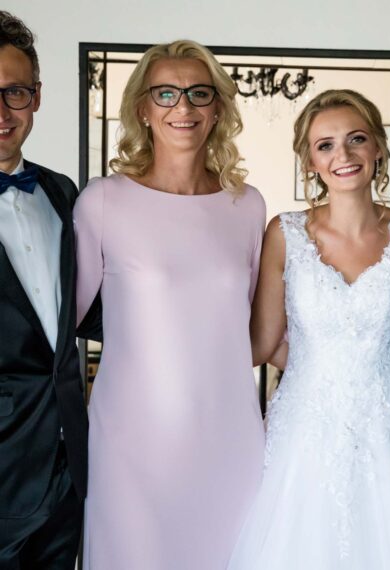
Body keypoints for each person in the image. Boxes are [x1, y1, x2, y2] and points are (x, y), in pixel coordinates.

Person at [228, 89, 390, 569]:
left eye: (356, 139)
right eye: (325, 145)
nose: (343, 155)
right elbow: (262, 344)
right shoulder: (285, 233)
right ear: (309, 161)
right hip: (304, 435)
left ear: (378, 147)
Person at [73, 40, 266, 569]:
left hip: (229, 437)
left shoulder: (247, 205)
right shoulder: (103, 200)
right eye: (166, 93)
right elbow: (62, 325)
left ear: (218, 108)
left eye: (199, 93)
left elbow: (255, 330)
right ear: (142, 107)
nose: (184, 107)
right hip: (133, 445)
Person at [0, 11, 88, 569]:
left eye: (13, 92)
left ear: (36, 96)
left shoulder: (62, 192)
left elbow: (91, 309)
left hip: (68, 466)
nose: (1, 113)